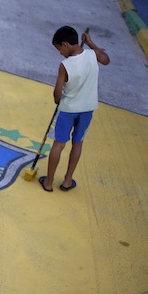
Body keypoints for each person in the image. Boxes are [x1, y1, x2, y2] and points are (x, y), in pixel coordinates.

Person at [40, 26, 110, 192]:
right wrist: (92, 43)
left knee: (59, 144)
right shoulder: (93, 55)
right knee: (77, 143)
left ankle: (48, 182)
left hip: (68, 109)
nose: (59, 53)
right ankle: (67, 181)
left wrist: (57, 99)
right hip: (87, 108)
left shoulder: (65, 65)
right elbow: (106, 59)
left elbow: (57, 92)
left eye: (59, 49)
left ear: (65, 44)